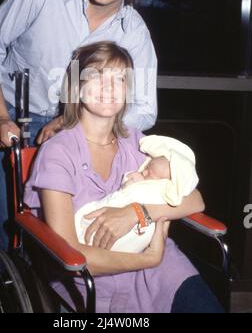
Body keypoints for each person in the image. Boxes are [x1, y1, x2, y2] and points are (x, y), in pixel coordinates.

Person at [0, 0, 158, 250]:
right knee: (11, 234)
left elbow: (144, 110)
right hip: (14, 120)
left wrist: (77, 125)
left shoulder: (135, 34)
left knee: (60, 243)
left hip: (80, 139)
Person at [24, 41, 224, 313]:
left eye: (119, 79)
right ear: (75, 87)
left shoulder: (136, 143)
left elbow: (195, 200)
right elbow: (72, 257)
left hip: (160, 270)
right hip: (92, 280)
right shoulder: (57, 153)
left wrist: (137, 213)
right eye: (96, 76)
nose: (109, 88)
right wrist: (148, 259)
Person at [75, 133, 199, 253]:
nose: (144, 173)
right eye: (147, 168)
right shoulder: (63, 148)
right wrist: (152, 258)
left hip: (157, 252)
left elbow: (197, 201)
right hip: (103, 257)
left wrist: (136, 213)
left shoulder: (133, 139)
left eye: (150, 174)